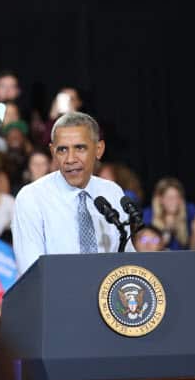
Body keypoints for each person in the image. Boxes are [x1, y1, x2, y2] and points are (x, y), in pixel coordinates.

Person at [12, 111, 132, 274]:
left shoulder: (112, 192)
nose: (70, 159)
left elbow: (128, 258)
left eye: (80, 148)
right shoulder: (32, 198)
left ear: (98, 149)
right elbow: (32, 272)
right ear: (53, 152)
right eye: (62, 150)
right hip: (58, 296)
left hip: (107, 296)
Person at [144, 177, 195, 250]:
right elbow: (144, 245)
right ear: (160, 199)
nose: (174, 202)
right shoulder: (148, 215)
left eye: (177, 197)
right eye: (170, 198)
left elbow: (194, 247)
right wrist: (166, 232)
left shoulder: (190, 212)